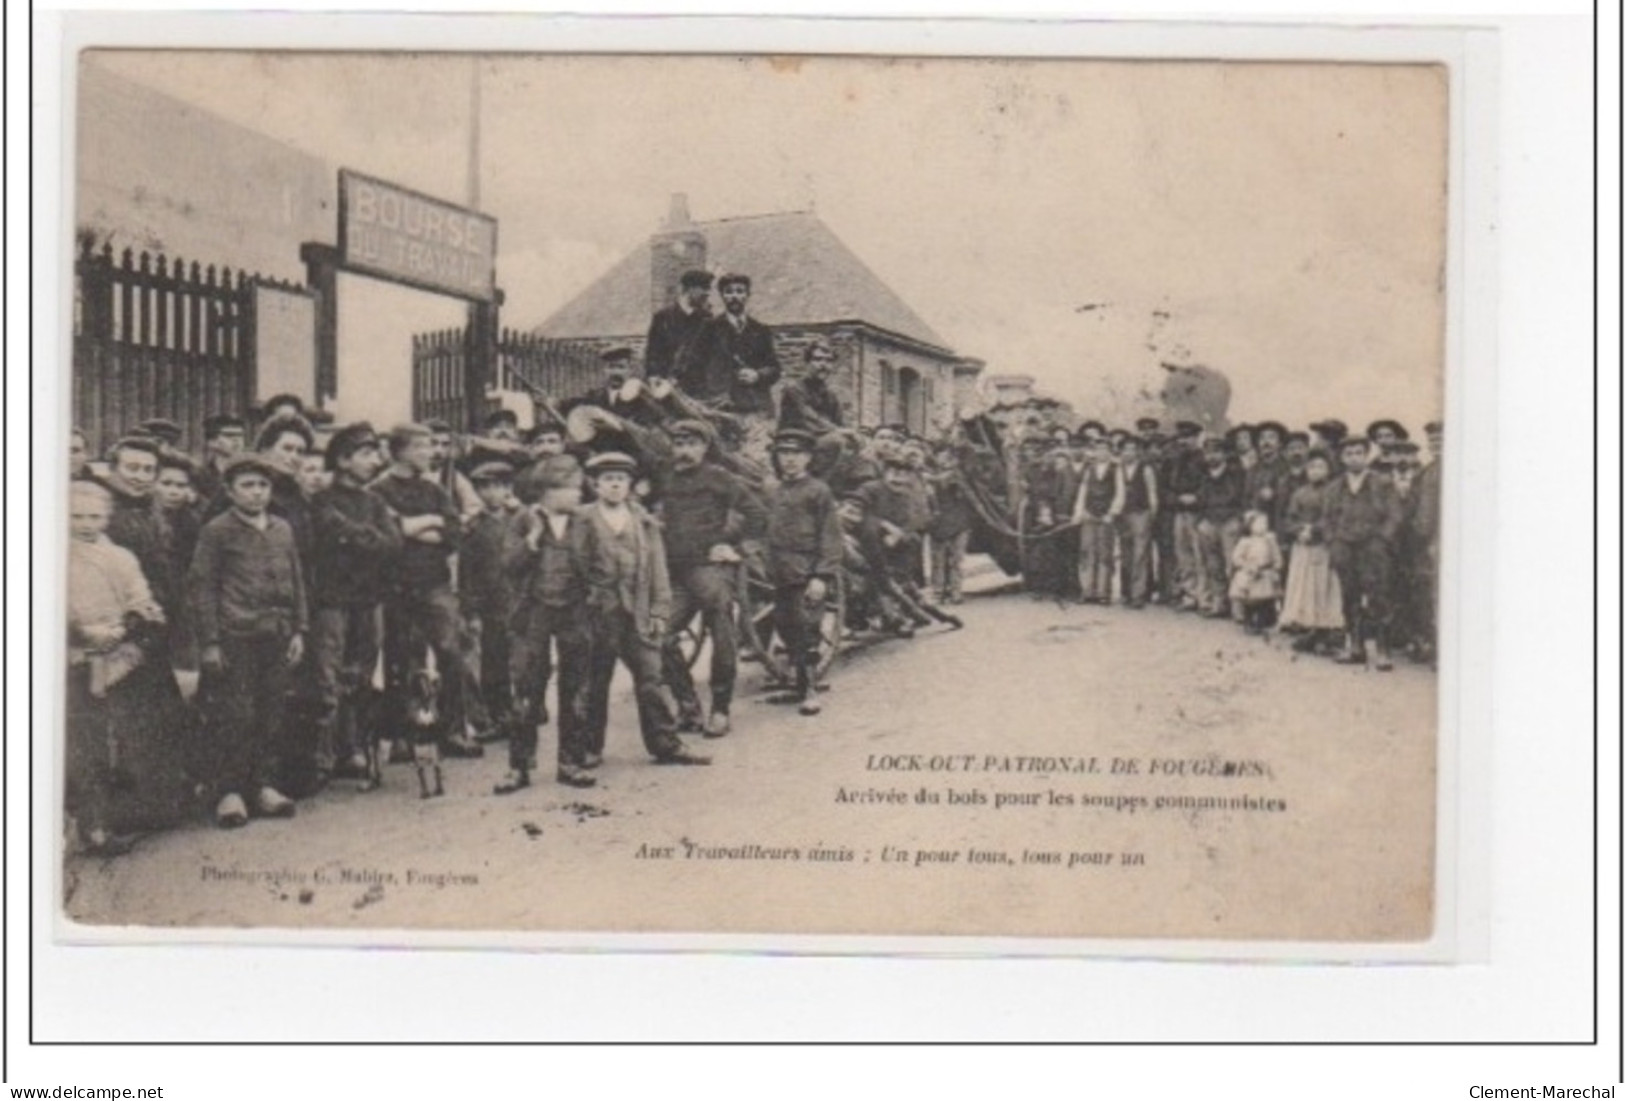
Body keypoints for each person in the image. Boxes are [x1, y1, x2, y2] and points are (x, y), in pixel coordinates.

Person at [187, 454, 307, 828]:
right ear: (230, 491)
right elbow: (202, 587)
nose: (257, 493)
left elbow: (297, 579)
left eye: (263, 486)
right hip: (236, 636)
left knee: (272, 712)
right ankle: (230, 792)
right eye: (248, 486)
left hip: (277, 634)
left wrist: (299, 629)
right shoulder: (217, 531)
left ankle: (263, 786)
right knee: (236, 714)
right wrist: (210, 642)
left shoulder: (282, 528)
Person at [571, 452, 710, 765]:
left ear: (630, 484)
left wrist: (660, 612)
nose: (615, 485)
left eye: (621, 479)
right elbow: (575, 569)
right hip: (600, 614)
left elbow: (659, 571)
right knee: (596, 682)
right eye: (608, 480)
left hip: (639, 613)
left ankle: (666, 744)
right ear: (595, 485)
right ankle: (591, 747)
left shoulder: (643, 522)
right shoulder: (583, 520)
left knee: (651, 677)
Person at [371, 423, 485, 779]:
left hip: (435, 584)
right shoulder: (378, 491)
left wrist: (416, 526)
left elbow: (454, 533)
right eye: (421, 447)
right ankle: (405, 735)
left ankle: (453, 729)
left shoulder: (434, 490)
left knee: (453, 651)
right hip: (395, 587)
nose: (429, 452)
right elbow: (387, 536)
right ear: (400, 451)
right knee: (401, 658)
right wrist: (425, 526)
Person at [65, 480, 171, 855]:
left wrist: (125, 629)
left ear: (107, 517)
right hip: (69, 657)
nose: (85, 523)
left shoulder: (121, 558)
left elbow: (142, 601)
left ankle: (111, 820)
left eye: (94, 515)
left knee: (118, 739)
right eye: (76, 515)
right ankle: (85, 825)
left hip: (119, 657)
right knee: (81, 743)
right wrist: (80, 632)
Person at [658, 419, 765, 739]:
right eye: (679, 444)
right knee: (658, 634)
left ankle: (720, 709)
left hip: (711, 568)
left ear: (705, 448)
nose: (685, 451)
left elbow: (757, 514)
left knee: (721, 628)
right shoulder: (664, 477)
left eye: (692, 444)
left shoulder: (720, 478)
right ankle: (688, 707)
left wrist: (733, 546)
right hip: (676, 573)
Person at [307, 422, 401, 787]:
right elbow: (332, 532)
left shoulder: (374, 502)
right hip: (332, 603)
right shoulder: (322, 501)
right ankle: (322, 757)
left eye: (375, 453)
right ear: (343, 460)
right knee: (327, 678)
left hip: (368, 601)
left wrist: (354, 536)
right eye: (366, 454)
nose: (375, 461)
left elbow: (392, 545)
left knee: (361, 677)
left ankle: (354, 749)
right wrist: (368, 539)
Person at [500, 455, 595, 791]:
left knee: (575, 688)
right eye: (573, 488)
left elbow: (598, 564)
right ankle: (519, 766)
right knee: (526, 689)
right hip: (533, 613)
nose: (581, 493)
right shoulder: (523, 520)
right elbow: (508, 565)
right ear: (550, 492)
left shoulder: (585, 521)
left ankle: (571, 762)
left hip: (574, 612)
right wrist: (532, 541)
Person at [762, 429, 844, 715]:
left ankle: (810, 689)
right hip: (778, 570)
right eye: (784, 454)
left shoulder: (818, 491)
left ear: (808, 458)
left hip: (806, 571)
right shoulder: (772, 490)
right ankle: (797, 684)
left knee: (806, 627)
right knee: (785, 624)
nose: (790, 460)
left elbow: (830, 535)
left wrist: (821, 575)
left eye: (796, 454)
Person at [675, 273, 781, 468]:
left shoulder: (761, 330)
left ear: (748, 295)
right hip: (722, 411)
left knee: (758, 463)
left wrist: (758, 375)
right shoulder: (709, 328)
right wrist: (708, 398)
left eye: (740, 291)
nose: (734, 296)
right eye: (729, 292)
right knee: (726, 463)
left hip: (755, 410)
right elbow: (690, 368)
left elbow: (775, 368)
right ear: (722, 296)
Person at [1323, 436, 1404, 669]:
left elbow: (1395, 515)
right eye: (1349, 453)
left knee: (1379, 595)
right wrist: (1333, 541)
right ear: (1342, 457)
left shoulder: (1382, 483)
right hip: (1345, 546)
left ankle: (1382, 650)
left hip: (1373, 546)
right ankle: (1356, 646)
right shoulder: (1334, 488)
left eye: (1359, 452)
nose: (1354, 457)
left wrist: (1382, 539)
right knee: (1350, 596)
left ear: (1367, 455)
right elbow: (1327, 519)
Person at [461, 460, 519, 743]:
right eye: (484, 487)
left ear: (508, 489)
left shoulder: (521, 520)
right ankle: (498, 717)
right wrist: (471, 609)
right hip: (490, 603)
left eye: (498, 486)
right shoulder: (473, 528)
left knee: (520, 661)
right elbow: (467, 572)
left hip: (519, 601)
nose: (491, 493)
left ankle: (522, 712)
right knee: (493, 662)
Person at [1279, 449, 1346, 653]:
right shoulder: (1300, 493)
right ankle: (1310, 630)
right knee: (1305, 588)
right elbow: (1290, 517)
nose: (1315, 471)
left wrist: (1315, 530)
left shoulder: (1334, 491)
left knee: (1324, 587)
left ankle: (1327, 632)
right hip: (1303, 546)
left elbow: (1334, 516)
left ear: (1328, 469)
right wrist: (1298, 531)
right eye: (1311, 467)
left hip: (1323, 545)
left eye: (1320, 467)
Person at [1193, 437, 1247, 618]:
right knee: (1213, 565)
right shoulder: (1204, 476)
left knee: (1233, 564)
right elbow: (1199, 500)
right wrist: (1201, 521)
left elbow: (1240, 498)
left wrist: (1238, 520)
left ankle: (1238, 606)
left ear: (1224, 454)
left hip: (1229, 522)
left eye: (1216, 452)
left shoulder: (1235, 474)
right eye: (1208, 453)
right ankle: (1219, 603)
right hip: (1209, 522)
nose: (1211, 456)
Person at [1071, 436, 1121, 605]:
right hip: (1089, 514)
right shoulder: (1089, 469)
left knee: (1105, 554)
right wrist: (1080, 512)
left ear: (1110, 452)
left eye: (1105, 449)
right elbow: (1083, 491)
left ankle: (1103, 592)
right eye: (1098, 449)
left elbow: (1120, 493)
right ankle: (1087, 590)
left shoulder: (1116, 469)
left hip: (1106, 515)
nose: (1101, 453)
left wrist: (1112, 513)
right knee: (1087, 552)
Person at [1163, 421, 1207, 610]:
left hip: (1199, 512)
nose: (1184, 441)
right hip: (1179, 511)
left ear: (1197, 438)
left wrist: (1196, 498)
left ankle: (1204, 596)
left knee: (1200, 554)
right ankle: (1189, 595)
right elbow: (1164, 486)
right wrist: (1176, 499)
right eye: (1181, 437)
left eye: (1188, 437)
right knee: (1183, 555)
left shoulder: (1204, 459)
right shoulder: (1173, 461)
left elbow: (1209, 484)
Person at [925, 443, 974, 605]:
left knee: (956, 559)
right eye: (943, 456)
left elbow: (944, 481)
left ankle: (955, 592)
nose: (947, 460)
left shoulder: (957, 474)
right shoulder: (931, 473)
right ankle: (938, 592)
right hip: (938, 523)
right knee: (938, 560)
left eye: (950, 457)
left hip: (958, 522)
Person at [1113, 434, 1158, 608]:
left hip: (1141, 513)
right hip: (1124, 514)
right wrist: (1116, 512)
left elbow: (1152, 493)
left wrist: (1151, 513)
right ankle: (1126, 592)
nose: (1128, 453)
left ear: (1138, 452)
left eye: (1132, 449)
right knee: (1126, 554)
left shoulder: (1145, 469)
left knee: (1140, 554)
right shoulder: (1119, 469)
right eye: (1125, 450)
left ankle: (1138, 594)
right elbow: (1119, 493)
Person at [644, 269, 714, 381]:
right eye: (704, 288)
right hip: (666, 383)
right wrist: (653, 377)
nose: (708, 293)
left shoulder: (707, 319)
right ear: (689, 289)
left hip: (696, 386)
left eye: (709, 288)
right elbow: (653, 354)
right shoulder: (662, 317)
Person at [1228, 509, 1284, 634]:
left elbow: (1276, 555)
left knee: (1265, 600)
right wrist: (1247, 566)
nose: (1263, 526)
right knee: (1250, 601)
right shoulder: (1245, 542)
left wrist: (1276, 567)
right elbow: (1236, 557)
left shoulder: (1270, 540)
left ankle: (1262, 622)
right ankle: (1249, 622)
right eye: (1259, 523)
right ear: (1250, 526)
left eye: (1265, 523)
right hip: (1251, 574)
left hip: (1265, 573)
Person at [778, 341, 845, 434]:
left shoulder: (831, 396)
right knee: (837, 441)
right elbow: (809, 419)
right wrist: (839, 431)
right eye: (817, 359)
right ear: (807, 363)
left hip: (823, 437)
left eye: (829, 360)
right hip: (796, 439)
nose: (823, 364)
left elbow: (840, 423)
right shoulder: (794, 389)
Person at [192, 414, 247, 504]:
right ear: (212, 442)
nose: (236, 439)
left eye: (240, 435)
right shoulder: (200, 476)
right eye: (229, 435)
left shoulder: (252, 473)